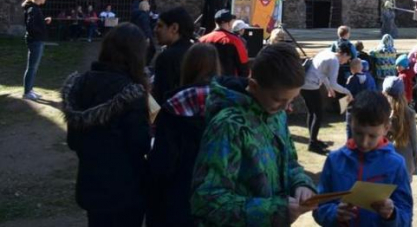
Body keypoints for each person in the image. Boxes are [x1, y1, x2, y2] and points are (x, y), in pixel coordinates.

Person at [191, 43, 316, 226]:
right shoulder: (228, 126)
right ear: (253, 86)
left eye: (292, 99)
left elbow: (289, 161)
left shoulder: (276, 115)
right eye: (279, 100)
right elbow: (207, 201)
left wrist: (301, 183)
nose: (287, 108)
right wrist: (274, 211)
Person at [61, 23, 151, 227]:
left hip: (91, 181)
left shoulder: (80, 84)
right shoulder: (130, 93)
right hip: (124, 188)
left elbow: (74, 140)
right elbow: (140, 143)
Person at [147, 44, 221, 227]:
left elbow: (163, 158)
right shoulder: (229, 100)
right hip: (218, 189)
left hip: (180, 190)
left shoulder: (175, 101)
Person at [314, 91, 413, 226]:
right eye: (358, 133)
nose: (364, 142)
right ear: (350, 123)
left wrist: (392, 214)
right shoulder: (335, 160)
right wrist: (334, 213)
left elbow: (406, 215)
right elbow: (318, 207)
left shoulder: (396, 164)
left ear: (386, 128)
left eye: (372, 136)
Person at [302, 41, 354, 153]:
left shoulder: (326, 52)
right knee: (318, 114)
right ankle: (312, 143)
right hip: (311, 85)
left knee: (312, 112)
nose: (346, 62)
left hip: (304, 84)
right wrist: (348, 92)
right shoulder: (334, 61)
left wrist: (329, 88)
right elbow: (334, 83)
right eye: (347, 58)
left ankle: (313, 140)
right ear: (344, 54)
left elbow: (322, 74)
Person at [152, 7, 195, 103]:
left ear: (174, 28)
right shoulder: (196, 52)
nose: (155, 30)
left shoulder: (166, 57)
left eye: (160, 26)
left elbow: (161, 95)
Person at [383, 76, 417, 182]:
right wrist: (414, 164)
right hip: (405, 165)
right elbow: (415, 144)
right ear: (403, 92)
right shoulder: (410, 114)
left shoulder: (379, 113)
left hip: (384, 166)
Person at [199, 10, 249, 78]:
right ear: (228, 23)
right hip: (228, 84)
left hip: (206, 85)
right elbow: (244, 68)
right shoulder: (235, 41)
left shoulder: (202, 40)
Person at [21, 0, 51, 100]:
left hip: (36, 39)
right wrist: (39, 34)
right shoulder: (33, 9)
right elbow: (30, 26)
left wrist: (43, 22)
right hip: (35, 40)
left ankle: (30, 89)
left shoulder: (34, 8)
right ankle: (27, 92)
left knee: (34, 67)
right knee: (32, 67)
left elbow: (34, 23)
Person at [345, 58, 378, 140]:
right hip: (367, 107)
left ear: (351, 69)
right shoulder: (370, 78)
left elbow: (348, 93)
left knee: (350, 127)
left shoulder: (352, 79)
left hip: (354, 108)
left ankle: (350, 144)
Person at [131, 0, 155, 65]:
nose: (149, 6)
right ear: (145, 6)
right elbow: (145, 26)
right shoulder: (143, 16)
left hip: (138, 35)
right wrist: (147, 37)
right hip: (144, 36)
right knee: (150, 50)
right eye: (148, 5)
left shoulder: (137, 15)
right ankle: (144, 65)